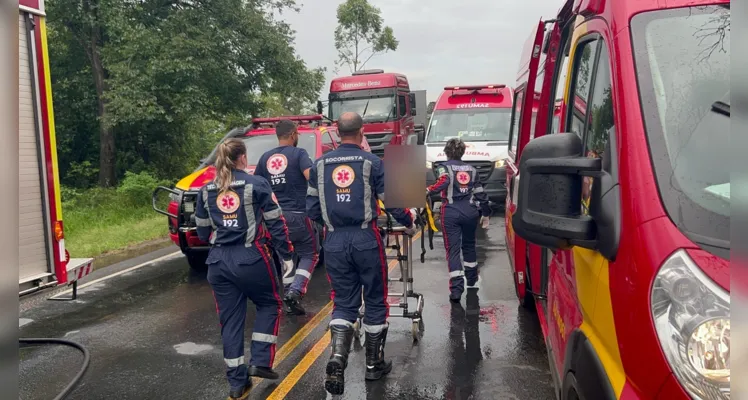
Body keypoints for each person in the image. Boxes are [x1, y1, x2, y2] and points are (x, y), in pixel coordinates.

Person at [307, 112, 418, 395]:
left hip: (333, 241)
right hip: (364, 239)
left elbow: (311, 209)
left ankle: (338, 357)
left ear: (337, 131)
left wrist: (333, 223)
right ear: (362, 132)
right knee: (375, 299)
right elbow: (393, 202)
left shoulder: (318, 166)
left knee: (343, 302)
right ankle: (373, 364)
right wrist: (409, 221)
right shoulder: (372, 162)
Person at [195, 138, 295, 399]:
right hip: (251, 256)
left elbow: (203, 231)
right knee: (270, 303)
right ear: (242, 158)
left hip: (218, 262)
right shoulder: (257, 184)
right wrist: (287, 254)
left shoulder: (206, 190)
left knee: (230, 321)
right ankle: (261, 361)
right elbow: (276, 222)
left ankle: (237, 384)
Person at [254, 119, 319, 315]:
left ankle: (290, 299)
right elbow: (311, 177)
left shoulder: (265, 158)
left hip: (274, 219)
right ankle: (296, 290)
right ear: (293, 134)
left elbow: (257, 186)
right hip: (298, 214)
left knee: (285, 255)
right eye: (297, 134)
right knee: (310, 253)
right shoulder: (299, 154)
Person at [426, 138, 490, 303]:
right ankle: (472, 280)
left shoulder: (443, 168)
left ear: (446, 152)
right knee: (469, 246)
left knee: (453, 250)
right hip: (470, 212)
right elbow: (480, 193)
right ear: (463, 152)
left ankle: (456, 290)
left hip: (451, 213)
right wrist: (486, 213)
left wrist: (427, 190)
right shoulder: (472, 170)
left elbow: (444, 181)